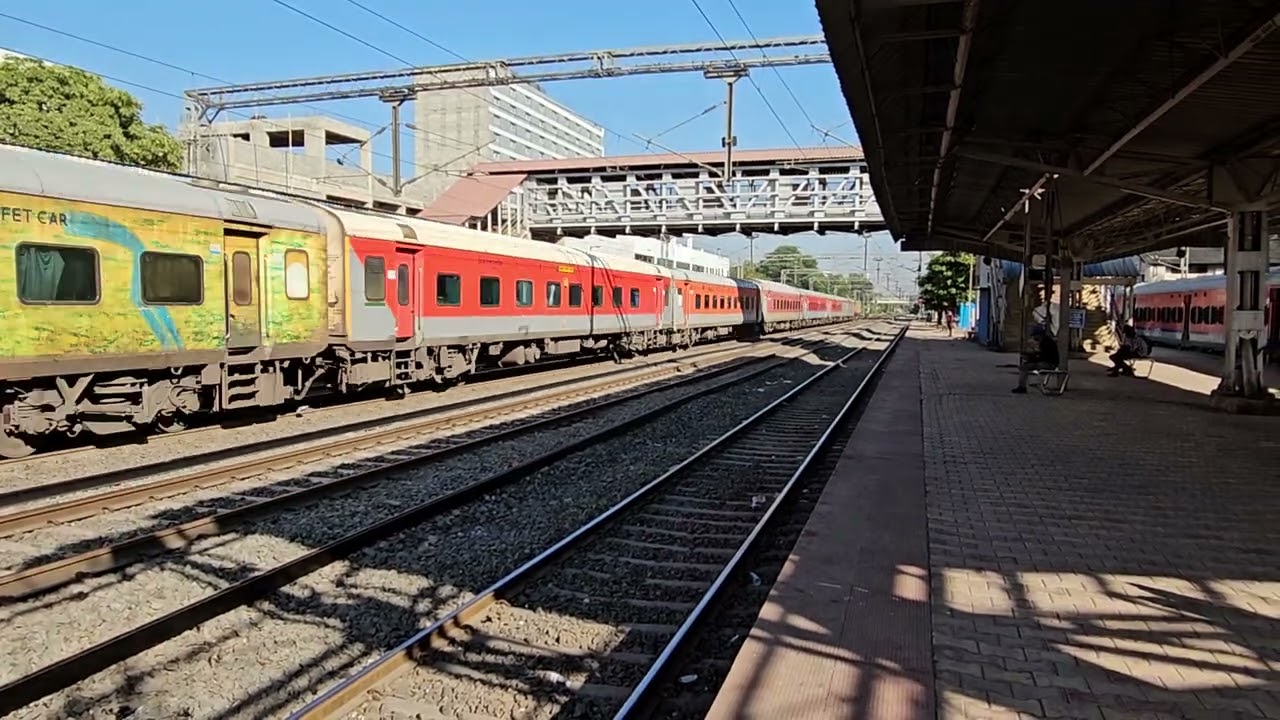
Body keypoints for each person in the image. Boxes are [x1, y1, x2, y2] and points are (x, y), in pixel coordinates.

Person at [1012, 324, 1060, 394]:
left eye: (1035, 335)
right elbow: (1041, 355)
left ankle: (1022, 387)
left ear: (1039, 335)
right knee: (1026, 366)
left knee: (1024, 367)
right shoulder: (1045, 341)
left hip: (1049, 364)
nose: (1034, 337)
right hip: (1048, 362)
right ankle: (1022, 386)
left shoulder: (1046, 342)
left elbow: (1043, 357)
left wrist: (1031, 359)